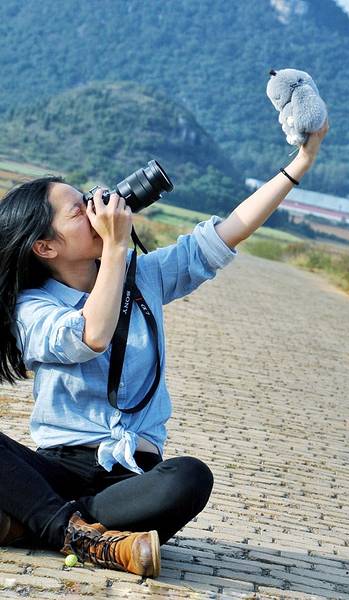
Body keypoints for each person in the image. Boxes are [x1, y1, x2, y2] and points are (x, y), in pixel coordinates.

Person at [0, 119, 329, 577]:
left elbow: (227, 232)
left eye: (89, 197)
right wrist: (116, 248)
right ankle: (84, 536)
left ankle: (35, 521)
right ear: (45, 246)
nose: (96, 209)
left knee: (190, 477)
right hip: (58, 467)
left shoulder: (146, 277)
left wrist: (302, 162)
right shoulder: (33, 308)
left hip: (133, 480)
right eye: (78, 211)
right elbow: (91, 335)